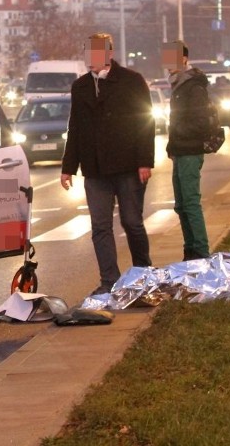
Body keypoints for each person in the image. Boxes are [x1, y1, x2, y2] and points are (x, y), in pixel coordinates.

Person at [60, 33, 155, 295]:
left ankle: (143, 273)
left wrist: (145, 161)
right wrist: (68, 167)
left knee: (131, 221)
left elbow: (145, 122)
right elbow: (75, 127)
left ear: (109, 54)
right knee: (100, 226)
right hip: (95, 169)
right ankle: (109, 281)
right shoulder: (80, 87)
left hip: (128, 166)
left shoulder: (131, 81)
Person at [163, 41, 211, 260]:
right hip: (180, 151)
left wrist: (179, 134)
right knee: (181, 205)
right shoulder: (177, 85)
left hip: (190, 151)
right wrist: (171, 145)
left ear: (184, 59)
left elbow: (201, 122)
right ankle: (189, 250)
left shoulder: (193, 86)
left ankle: (200, 252)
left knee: (190, 203)